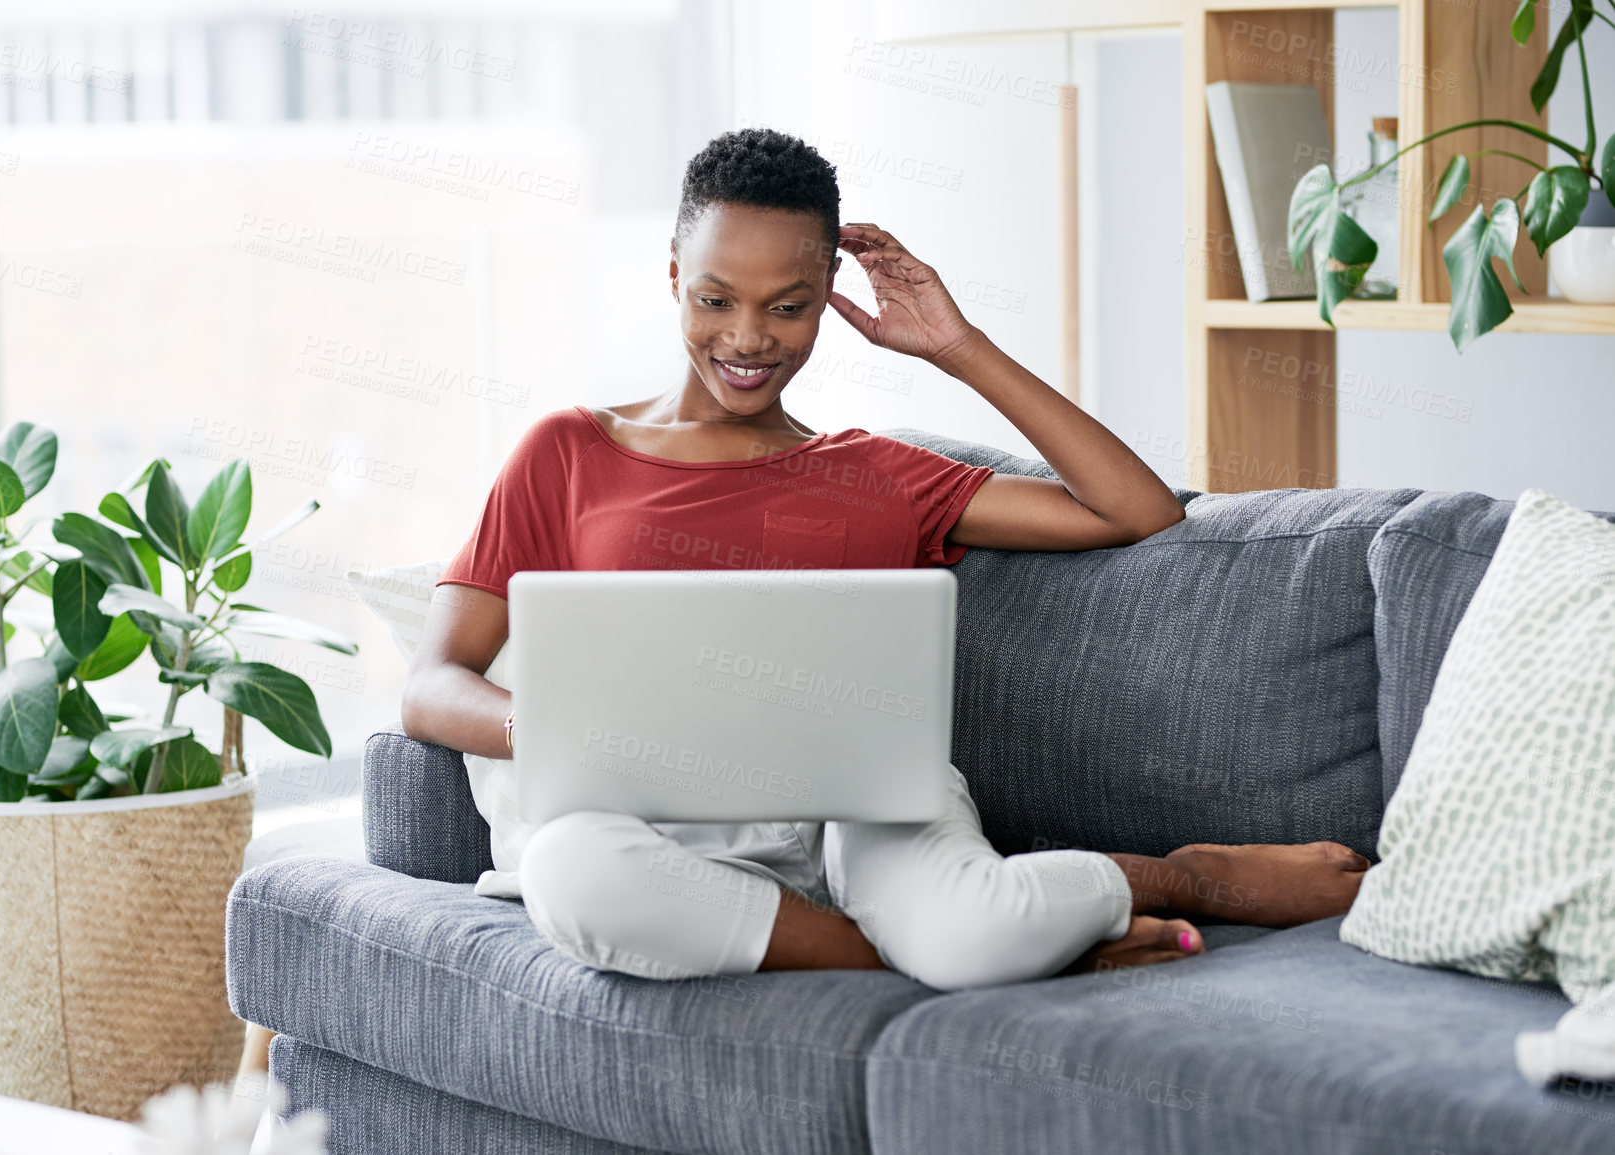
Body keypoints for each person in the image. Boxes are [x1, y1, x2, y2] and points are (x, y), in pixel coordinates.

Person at [401, 127, 1369, 991]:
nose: (746, 339)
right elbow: (432, 688)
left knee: (973, 935)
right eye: (714, 299)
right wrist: (555, 727)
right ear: (671, 277)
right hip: (652, 829)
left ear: (829, 296)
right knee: (574, 878)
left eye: (788, 306)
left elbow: (1139, 512)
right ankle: (932, 945)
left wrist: (959, 346)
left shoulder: (878, 474)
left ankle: (1193, 876)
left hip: (861, 808)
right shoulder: (568, 451)